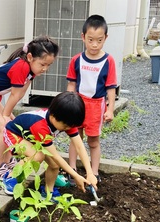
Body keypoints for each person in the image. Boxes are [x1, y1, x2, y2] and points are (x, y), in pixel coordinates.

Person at [0, 36, 59, 181]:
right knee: (5, 128)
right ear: (30, 57)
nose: (45, 69)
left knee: (10, 126)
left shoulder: (31, 70)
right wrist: (6, 114)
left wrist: (8, 116)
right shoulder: (21, 66)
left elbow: (20, 93)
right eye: (42, 64)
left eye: (49, 65)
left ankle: (7, 162)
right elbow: (15, 94)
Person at [2, 91, 98, 202]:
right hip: (14, 134)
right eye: (65, 126)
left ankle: (48, 192)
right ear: (52, 116)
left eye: (70, 126)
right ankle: (10, 177)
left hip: (33, 137)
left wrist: (90, 173)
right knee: (38, 156)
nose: (67, 128)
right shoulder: (40, 125)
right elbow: (56, 155)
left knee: (54, 165)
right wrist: (76, 176)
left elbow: (79, 147)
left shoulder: (67, 120)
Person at [66, 15, 117, 183]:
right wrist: (68, 104)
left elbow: (110, 88)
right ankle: (72, 170)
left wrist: (110, 110)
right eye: (90, 40)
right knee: (75, 137)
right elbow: (71, 85)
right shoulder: (76, 60)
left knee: (93, 141)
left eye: (99, 40)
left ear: (105, 38)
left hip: (96, 106)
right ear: (83, 37)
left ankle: (94, 173)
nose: (94, 45)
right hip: (78, 103)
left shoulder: (108, 61)